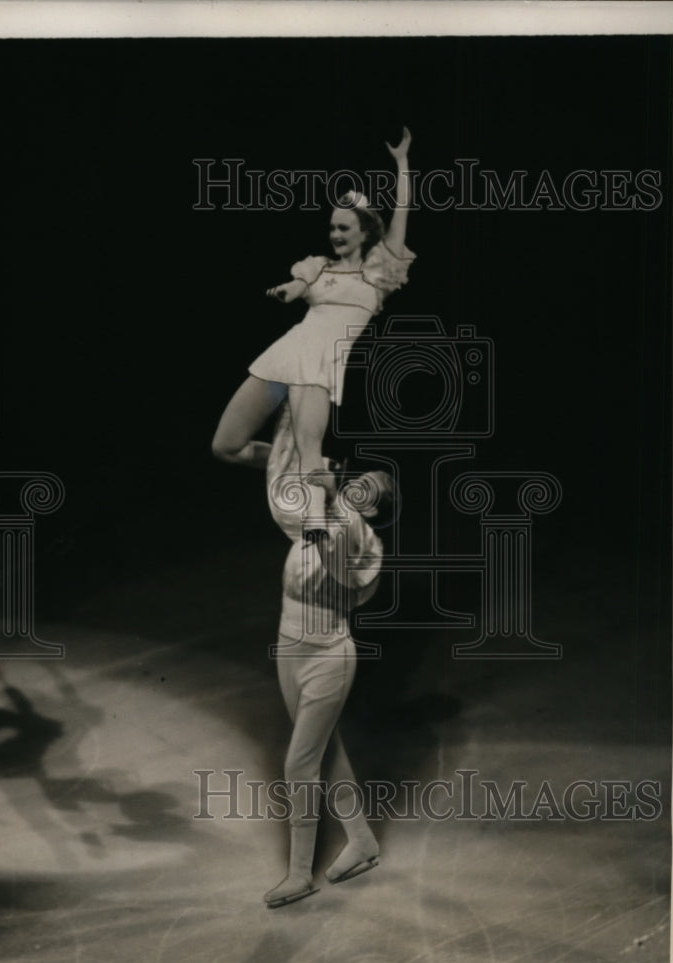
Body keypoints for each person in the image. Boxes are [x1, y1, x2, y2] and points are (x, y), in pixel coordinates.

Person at [211, 128, 415, 525]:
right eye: (332, 227)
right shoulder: (318, 266)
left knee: (306, 445)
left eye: (343, 228)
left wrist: (403, 163)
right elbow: (298, 283)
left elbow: (402, 211)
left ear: (365, 231)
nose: (335, 234)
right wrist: (287, 291)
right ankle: (326, 469)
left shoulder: (379, 274)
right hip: (285, 356)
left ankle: (317, 515)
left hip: (320, 367)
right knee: (226, 445)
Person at [262, 401, 396, 908]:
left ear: (378, 507)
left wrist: (322, 493)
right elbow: (285, 491)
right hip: (289, 649)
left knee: (299, 762)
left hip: (328, 659)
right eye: (363, 478)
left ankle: (299, 874)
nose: (363, 485)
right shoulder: (319, 512)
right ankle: (361, 840)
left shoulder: (364, 539)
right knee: (325, 754)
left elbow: (332, 556)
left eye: (375, 489)